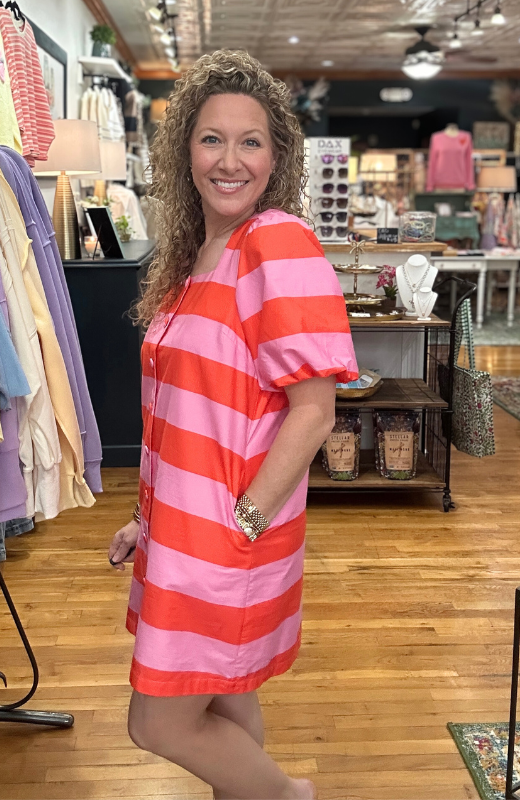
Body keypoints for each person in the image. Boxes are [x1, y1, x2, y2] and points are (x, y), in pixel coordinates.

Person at [108, 49, 358, 800]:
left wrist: (240, 524)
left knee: (158, 723)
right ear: (185, 149)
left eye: (251, 141)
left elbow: (315, 411)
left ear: (276, 157)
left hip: (228, 536)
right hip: (185, 529)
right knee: (224, 694)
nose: (230, 160)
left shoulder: (275, 240)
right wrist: (145, 519)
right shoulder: (196, 257)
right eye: (212, 138)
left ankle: (286, 796)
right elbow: (188, 417)